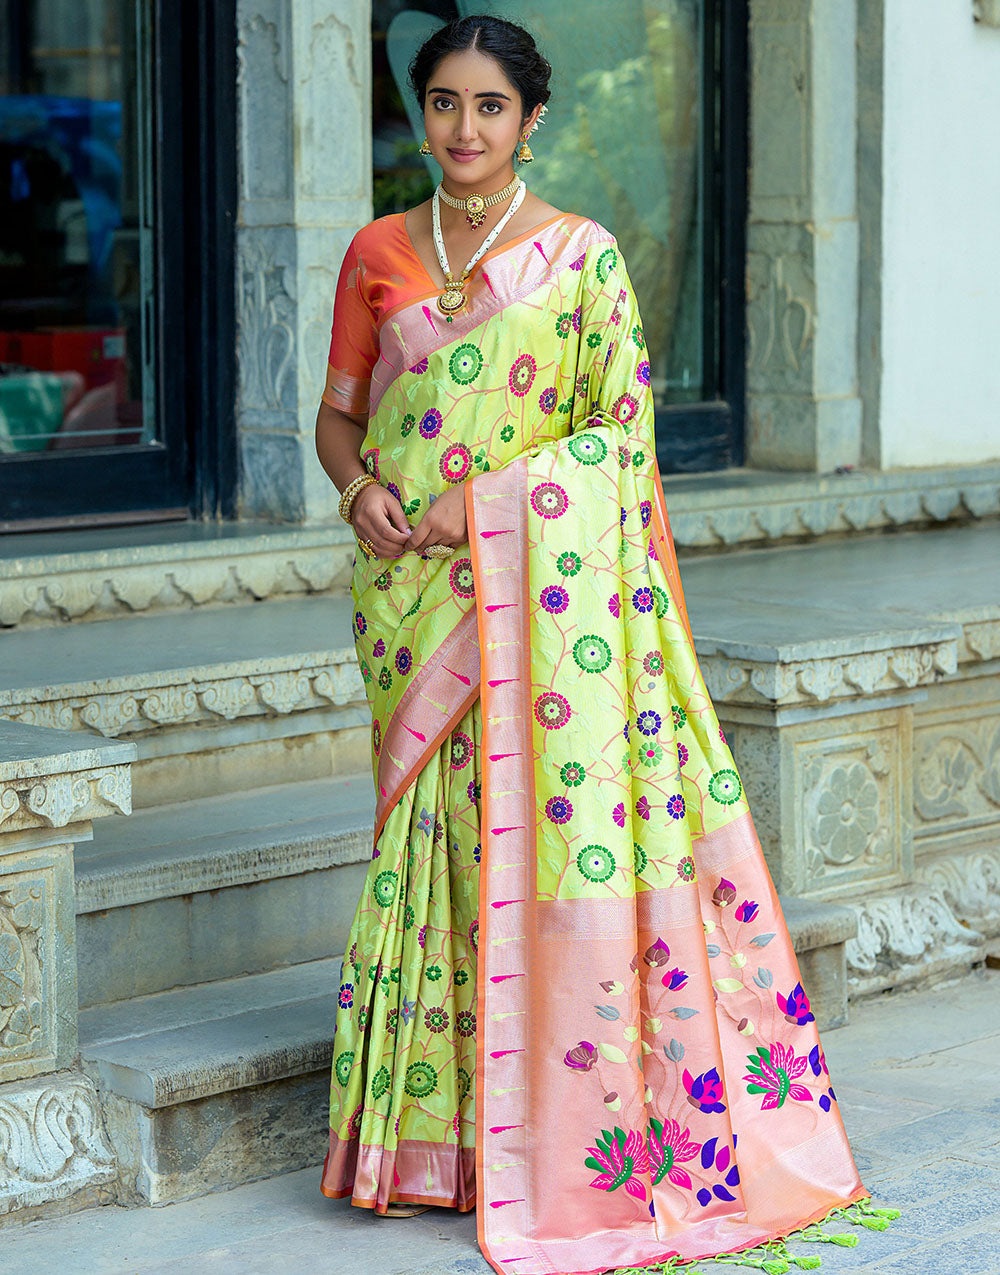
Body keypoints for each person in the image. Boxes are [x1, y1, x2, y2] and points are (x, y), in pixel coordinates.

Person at [315, 15, 894, 1275]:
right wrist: (359, 490)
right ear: (420, 113)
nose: (462, 130)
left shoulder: (580, 258)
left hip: (535, 603)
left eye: (489, 108)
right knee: (439, 844)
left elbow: (616, 449)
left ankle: (555, 1134)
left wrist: (486, 511)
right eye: (442, 104)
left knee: (528, 838)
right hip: (410, 604)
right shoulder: (376, 251)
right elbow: (340, 416)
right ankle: (443, 1142)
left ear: (531, 121)